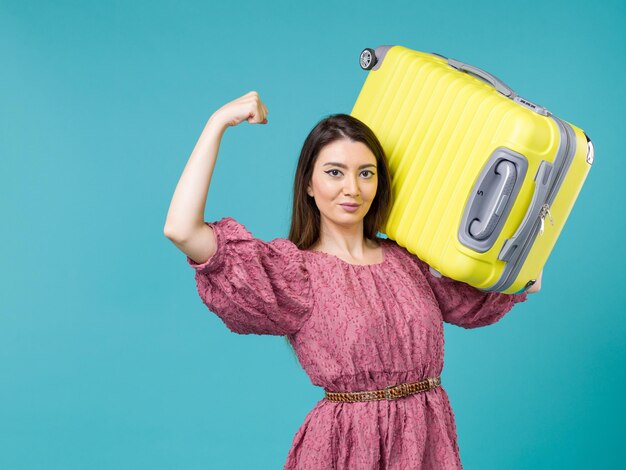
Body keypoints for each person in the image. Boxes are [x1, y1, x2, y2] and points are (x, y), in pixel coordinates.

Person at [164, 91, 542, 469]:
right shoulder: (295, 273)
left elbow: (492, 292)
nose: (352, 189)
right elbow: (182, 230)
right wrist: (218, 123)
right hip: (345, 450)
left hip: (427, 441)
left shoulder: (409, 259)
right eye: (334, 172)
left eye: (366, 173)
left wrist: (533, 238)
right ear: (309, 184)